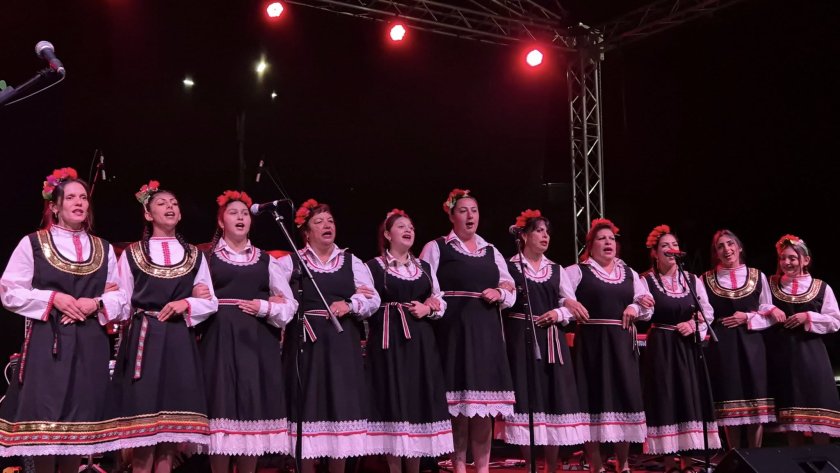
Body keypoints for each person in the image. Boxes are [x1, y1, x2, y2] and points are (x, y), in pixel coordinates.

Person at [0, 167, 125, 472]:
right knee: (48, 419)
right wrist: (54, 299)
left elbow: (122, 297)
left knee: (79, 423)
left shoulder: (104, 248)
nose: (79, 202)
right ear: (54, 206)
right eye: (70, 197)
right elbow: (9, 291)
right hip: (49, 341)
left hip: (89, 343)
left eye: (83, 197)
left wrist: (95, 302)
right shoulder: (33, 243)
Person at [108, 180, 218, 473]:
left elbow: (210, 301)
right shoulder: (132, 253)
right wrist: (103, 301)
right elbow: (122, 300)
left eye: (174, 203)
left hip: (178, 339)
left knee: (171, 427)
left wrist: (187, 303)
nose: (170, 207)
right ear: (148, 214)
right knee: (144, 430)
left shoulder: (194, 255)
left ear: (180, 214)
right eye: (161, 203)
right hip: (144, 338)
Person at [198, 190, 298, 473]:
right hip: (219, 339)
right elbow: (197, 298)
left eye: (244, 213)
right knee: (222, 410)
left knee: (252, 410)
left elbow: (289, 305)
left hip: (256, 342)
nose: (240, 217)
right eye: (233, 213)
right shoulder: (207, 258)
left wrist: (264, 306)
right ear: (221, 222)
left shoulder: (266, 260)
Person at [278, 199, 380, 473]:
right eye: (319, 221)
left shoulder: (351, 261)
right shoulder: (290, 263)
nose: (327, 225)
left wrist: (350, 304)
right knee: (307, 409)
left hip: (341, 345)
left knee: (340, 408)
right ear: (306, 232)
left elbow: (372, 298)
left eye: (330, 221)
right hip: (305, 345)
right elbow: (274, 291)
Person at [419, 188, 516, 473]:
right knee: (459, 407)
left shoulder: (491, 250)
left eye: (474, 210)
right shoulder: (437, 247)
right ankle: (459, 466)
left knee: (483, 407)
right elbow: (426, 283)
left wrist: (500, 292)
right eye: (463, 210)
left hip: (486, 332)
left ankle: (482, 469)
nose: (470, 215)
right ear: (451, 216)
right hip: (454, 331)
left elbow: (509, 287)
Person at [499, 210, 589, 473]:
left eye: (547, 232)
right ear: (524, 236)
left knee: (553, 397)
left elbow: (569, 304)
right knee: (526, 396)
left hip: (551, 340)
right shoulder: (509, 266)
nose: (545, 236)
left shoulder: (556, 269)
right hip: (520, 338)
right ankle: (530, 465)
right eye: (539, 230)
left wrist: (559, 313)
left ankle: (551, 466)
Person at [365, 209, 453, 472]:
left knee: (417, 400)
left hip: (420, 342)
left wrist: (429, 308)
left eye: (411, 227)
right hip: (389, 341)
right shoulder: (373, 267)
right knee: (393, 399)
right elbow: (366, 301)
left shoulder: (423, 268)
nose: (408, 230)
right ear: (387, 234)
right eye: (401, 226)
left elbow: (440, 301)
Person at [562, 218, 653, 473]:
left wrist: (635, 307)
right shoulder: (577, 271)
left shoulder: (629, 273)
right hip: (592, 345)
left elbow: (646, 302)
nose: (608, 242)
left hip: (622, 343)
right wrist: (569, 303)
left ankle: (623, 463)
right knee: (592, 399)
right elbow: (561, 295)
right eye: (602, 239)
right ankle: (596, 464)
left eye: (611, 239)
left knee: (624, 398)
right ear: (590, 245)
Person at [639, 225, 720, 472]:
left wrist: (693, 324)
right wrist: (643, 304)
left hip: (687, 347)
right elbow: (644, 313)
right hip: (662, 346)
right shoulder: (646, 280)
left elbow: (707, 312)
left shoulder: (692, 280)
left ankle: (688, 462)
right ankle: (668, 464)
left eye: (674, 245)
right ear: (654, 253)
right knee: (665, 397)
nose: (671, 249)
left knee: (689, 396)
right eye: (665, 246)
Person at [703, 229, 779, 449]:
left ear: (739, 247)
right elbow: (705, 313)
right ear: (716, 253)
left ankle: (756, 457)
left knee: (755, 401)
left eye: (730, 244)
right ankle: (734, 456)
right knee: (730, 402)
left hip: (752, 343)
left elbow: (767, 311)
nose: (726, 249)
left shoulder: (757, 276)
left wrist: (746, 317)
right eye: (720, 246)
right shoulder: (706, 279)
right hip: (723, 346)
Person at [767, 234, 840, 444]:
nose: (787, 262)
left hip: (811, 355)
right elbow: (760, 306)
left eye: (792, 258)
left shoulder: (821, 287)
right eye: (783, 258)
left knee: (818, 413)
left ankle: (824, 457)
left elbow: (835, 321)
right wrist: (771, 309)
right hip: (784, 357)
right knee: (792, 416)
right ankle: (795, 459)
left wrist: (807, 316)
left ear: (805, 260)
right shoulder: (772, 284)